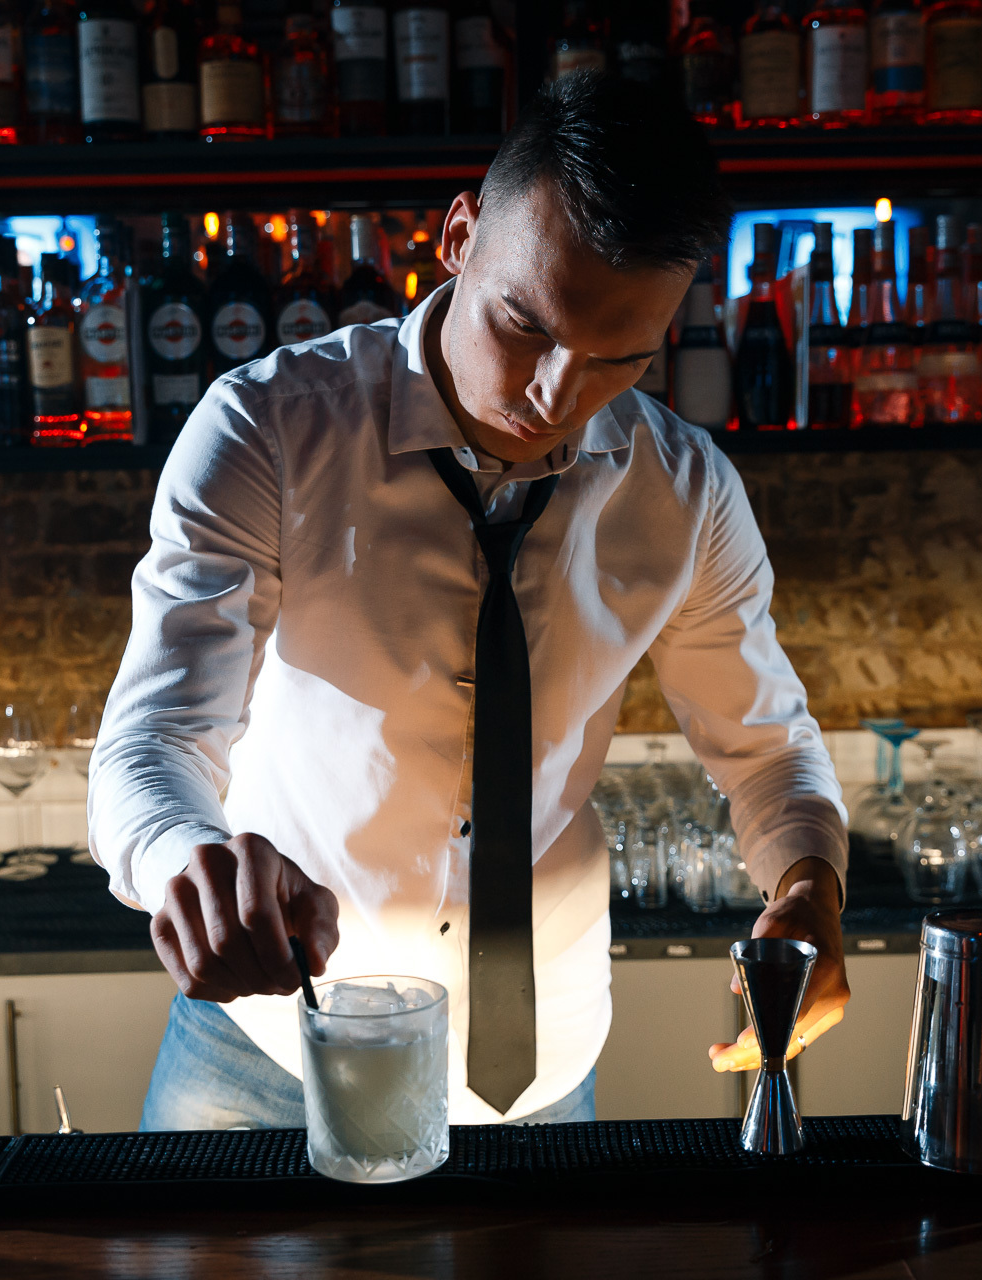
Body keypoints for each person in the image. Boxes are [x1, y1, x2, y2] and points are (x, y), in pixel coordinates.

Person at [88, 72, 850, 1130]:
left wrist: (810, 888)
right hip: (271, 1041)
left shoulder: (686, 491)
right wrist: (191, 861)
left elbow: (767, 748)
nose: (554, 396)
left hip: (539, 1070)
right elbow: (154, 738)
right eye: (526, 326)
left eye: (618, 360)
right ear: (457, 237)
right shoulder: (268, 430)